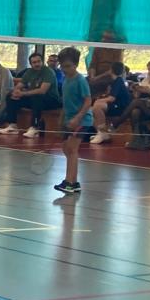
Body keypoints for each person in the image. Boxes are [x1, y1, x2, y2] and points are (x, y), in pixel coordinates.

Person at [54, 47, 94, 193]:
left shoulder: (80, 80)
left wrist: (78, 118)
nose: (64, 69)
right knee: (66, 148)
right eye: (62, 66)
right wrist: (61, 119)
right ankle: (73, 181)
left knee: (72, 149)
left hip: (82, 120)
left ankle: (70, 182)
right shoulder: (65, 80)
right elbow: (66, 102)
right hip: (68, 119)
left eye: (68, 66)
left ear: (75, 65)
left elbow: (88, 101)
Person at [0, 51, 57, 136]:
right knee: (10, 96)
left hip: (51, 100)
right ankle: (12, 126)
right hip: (34, 98)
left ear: (42, 61)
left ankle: (35, 128)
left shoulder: (48, 72)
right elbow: (19, 85)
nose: (37, 64)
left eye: (39, 61)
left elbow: (42, 90)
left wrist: (22, 93)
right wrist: (15, 92)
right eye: (34, 62)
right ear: (31, 64)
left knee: (37, 97)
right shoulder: (29, 72)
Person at [89, 62, 130, 144]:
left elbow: (112, 98)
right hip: (114, 105)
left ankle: (102, 133)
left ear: (110, 70)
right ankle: (101, 132)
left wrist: (99, 101)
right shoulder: (113, 81)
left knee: (97, 106)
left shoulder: (118, 80)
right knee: (89, 110)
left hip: (121, 107)